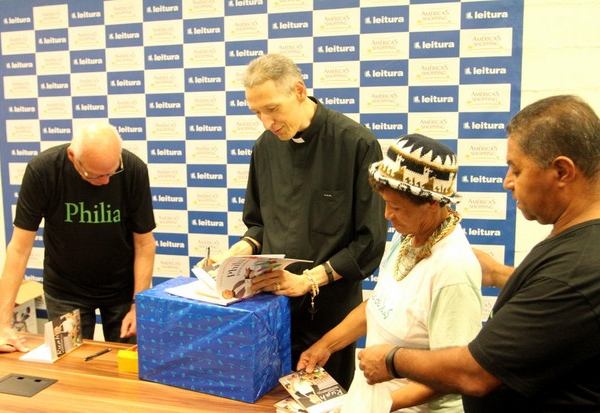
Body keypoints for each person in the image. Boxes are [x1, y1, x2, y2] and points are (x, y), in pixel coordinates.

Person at [356, 95, 600, 412]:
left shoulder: (576, 267)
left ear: (563, 171)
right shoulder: (574, 250)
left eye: (516, 168)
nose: (507, 182)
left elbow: (474, 374)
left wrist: (391, 360)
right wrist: (501, 275)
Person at [204, 53, 387, 389]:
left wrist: (308, 280)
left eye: (272, 108)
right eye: (257, 112)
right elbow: (258, 224)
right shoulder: (264, 148)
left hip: (329, 316)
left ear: (299, 91)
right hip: (270, 310)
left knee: (324, 404)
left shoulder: (357, 143)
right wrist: (235, 253)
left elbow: (369, 242)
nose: (266, 122)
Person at [298, 133, 483, 412]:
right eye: (385, 203)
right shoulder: (409, 235)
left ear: (433, 203)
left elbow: (455, 374)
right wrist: (325, 345)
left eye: (396, 207)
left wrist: (374, 405)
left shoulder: (452, 269)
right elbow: (381, 305)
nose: (387, 215)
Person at [0, 122, 156, 352]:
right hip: (65, 293)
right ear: (72, 156)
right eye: (95, 175)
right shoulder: (43, 171)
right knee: (67, 363)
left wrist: (137, 305)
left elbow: (145, 243)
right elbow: (19, 248)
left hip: (123, 291)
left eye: (112, 172)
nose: (106, 181)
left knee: (129, 366)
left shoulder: (133, 169)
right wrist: (3, 324)